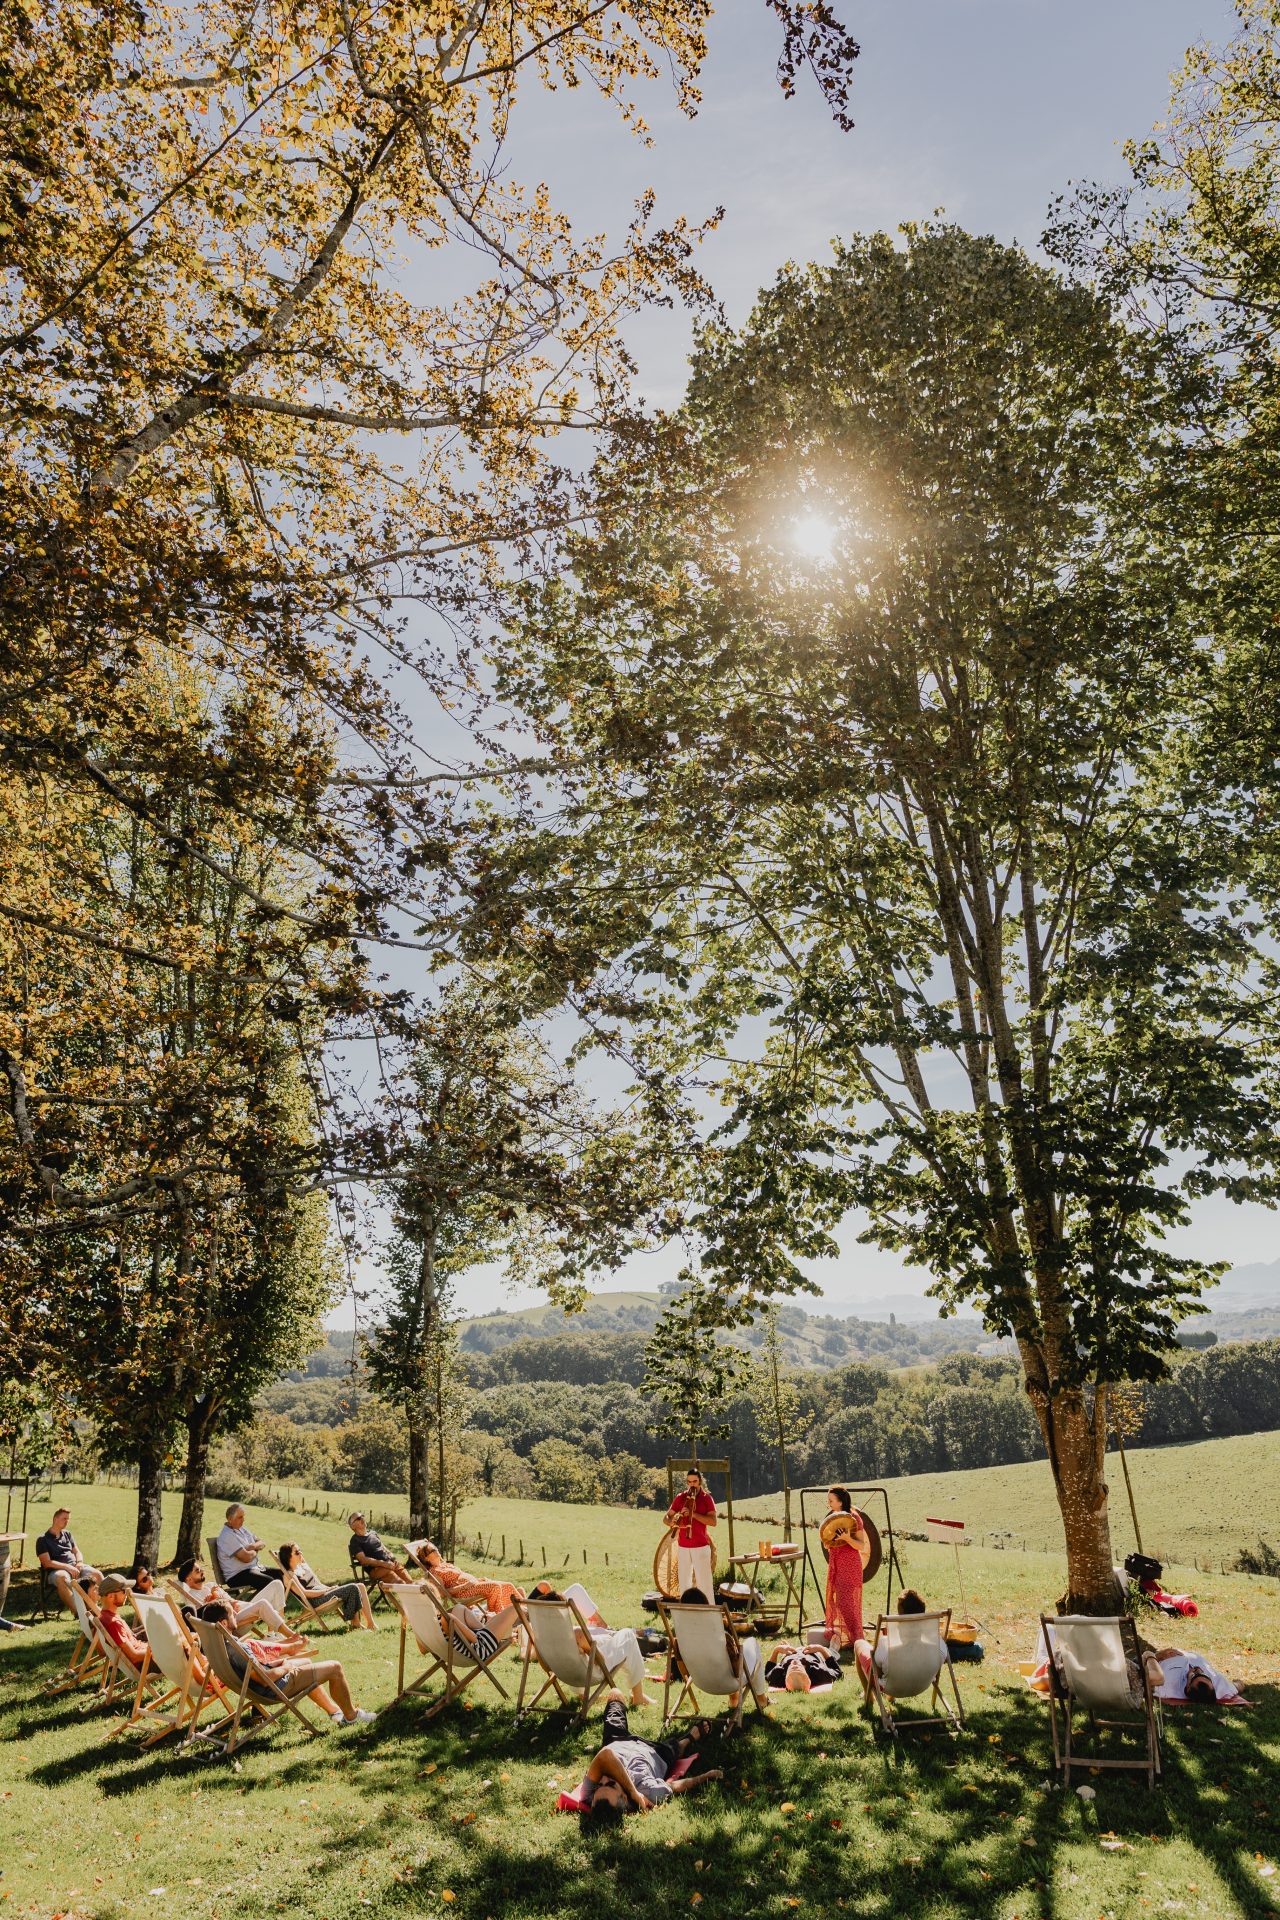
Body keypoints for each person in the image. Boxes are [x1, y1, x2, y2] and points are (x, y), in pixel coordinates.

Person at [196, 1599, 374, 1725]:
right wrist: (286, 1665)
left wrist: (277, 1663)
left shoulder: (220, 1645)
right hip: (273, 1689)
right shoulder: (237, 1649)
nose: (236, 1614)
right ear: (223, 1622)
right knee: (335, 1667)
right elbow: (265, 1677)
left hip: (255, 1688)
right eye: (232, 1614)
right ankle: (351, 1717)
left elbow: (257, 1670)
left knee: (305, 1661)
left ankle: (334, 1711)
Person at [578, 1689, 722, 1824]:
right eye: (610, 1784)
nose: (603, 1779)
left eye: (599, 1786)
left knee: (615, 1694)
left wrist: (633, 1792)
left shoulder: (588, 1795)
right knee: (676, 1750)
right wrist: (705, 1777)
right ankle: (688, 1738)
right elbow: (673, 1786)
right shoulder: (650, 1792)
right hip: (653, 1752)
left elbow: (605, 1756)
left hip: (617, 1741)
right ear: (624, 1797)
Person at [528, 1581, 654, 1706]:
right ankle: (638, 1697)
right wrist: (596, 1648)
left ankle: (583, 1696)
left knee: (594, 1639)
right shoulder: (577, 1634)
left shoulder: (540, 1638)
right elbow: (600, 1661)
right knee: (627, 1635)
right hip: (588, 1674)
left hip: (564, 1674)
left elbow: (545, 1667)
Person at [676, 1586, 768, 1712]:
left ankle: (734, 1699)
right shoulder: (721, 1638)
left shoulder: (680, 1640)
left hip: (701, 1682)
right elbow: (737, 1673)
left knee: (727, 1657)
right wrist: (737, 1653)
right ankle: (762, 1699)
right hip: (729, 1685)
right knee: (752, 1642)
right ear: (706, 1608)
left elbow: (684, 1673)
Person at [176, 1555, 300, 1642]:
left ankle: (273, 1634)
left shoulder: (211, 1585)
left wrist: (227, 1600)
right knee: (262, 1604)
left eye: (200, 1568)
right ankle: (292, 1636)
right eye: (197, 1570)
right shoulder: (192, 1597)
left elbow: (231, 1600)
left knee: (277, 1584)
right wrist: (218, 1598)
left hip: (241, 1609)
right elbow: (210, 1619)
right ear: (189, 1579)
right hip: (234, 1621)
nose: (202, 1571)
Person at [854, 1587, 948, 1681]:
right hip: (922, 1683)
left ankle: (869, 1695)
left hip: (893, 1687)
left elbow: (878, 1671)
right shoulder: (938, 1647)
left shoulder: (886, 1646)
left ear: (900, 1619)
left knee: (859, 1643)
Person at [278, 1542, 376, 1630]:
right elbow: (305, 1593)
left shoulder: (302, 1566)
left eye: (300, 1551)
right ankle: (356, 1623)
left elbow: (316, 1582)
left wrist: (327, 1589)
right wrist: (327, 1590)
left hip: (323, 1592)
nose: (301, 1554)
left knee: (361, 1586)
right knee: (353, 1588)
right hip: (316, 1600)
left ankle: (370, 1624)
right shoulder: (290, 1575)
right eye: (297, 1552)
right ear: (288, 1557)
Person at [415, 1540, 524, 1612]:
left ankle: (524, 1612)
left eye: (435, 1548)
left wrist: (477, 1580)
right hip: (463, 1592)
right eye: (433, 1550)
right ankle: (493, 1617)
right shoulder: (434, 1572)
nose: (437, 1550)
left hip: (473, 1585)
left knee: (508, 1586)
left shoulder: (445, 1565)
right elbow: (443, 1593)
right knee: (495, 1587)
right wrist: (465, 1585)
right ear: (427, 1558)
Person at [820, 1486, 868, 1650]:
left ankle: (857, 1637)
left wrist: (847, 1538)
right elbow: (832, 1541)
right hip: (837, 1564)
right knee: (840, 1601)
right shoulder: (834, 1518)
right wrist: (829, 1544)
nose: (829, 1504)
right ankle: (854, 1637)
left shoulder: (854, 1518)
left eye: (831, 1501)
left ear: (841, 1501)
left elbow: (861, 1546)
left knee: (845, 1601)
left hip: (850, 1564)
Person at [663, 1469, 717, 1600]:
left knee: (705, 1584)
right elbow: (665, 1518)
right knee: (684, 1584)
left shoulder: (706, 1498)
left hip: (701, 1546)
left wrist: (694, 1513)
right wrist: (674, 1523)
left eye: (695, 1481)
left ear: (700, 1482)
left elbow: (713, 1522)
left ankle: (709, 1613)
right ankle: (686, 1614)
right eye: (689, 1482)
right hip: (683, 1546)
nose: (692, 1484)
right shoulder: (680, 1497)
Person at [36, 1508, 102, 1608]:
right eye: (64, 1518)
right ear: (55, 1519)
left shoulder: (67, 1534)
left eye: (68, 1519)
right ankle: (77, 1612)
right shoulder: (42, 1539)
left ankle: (96, 1608)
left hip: (76, 1567)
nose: (67, 1521)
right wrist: (68, 1567)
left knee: (97, 1574)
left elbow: (77, 1551)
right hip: (56, 1571)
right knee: (62, 1577)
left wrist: (79, 1562)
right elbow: (47, 1563)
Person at [1146, 1646, 1254, 1706]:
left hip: (1165, 1655)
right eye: (1204, 1675)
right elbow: (1238, 1686)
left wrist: (1159, 1655)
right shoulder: (1220, 1687)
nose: (1197, 1670)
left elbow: (1144, 1668)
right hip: (1184, 1651)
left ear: (1187, 1687)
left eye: (1194, 1675)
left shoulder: (1166, 1687)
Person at [215, 1504, 279, 1594]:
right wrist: (256, 1550)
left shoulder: (242, 1529)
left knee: (281, 1574)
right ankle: (266, 1607)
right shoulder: (227, 1536)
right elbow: (246, 1558)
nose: (243, 1520)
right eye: (240, 1517)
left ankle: (299, 1599)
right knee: (271, 1582)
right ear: (230, 1519)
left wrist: (252, 1547)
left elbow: (262, 1542)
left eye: (243, 1516)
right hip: (237, 1575)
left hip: (253, 1568)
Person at [347, 1513, 415, 1586]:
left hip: (390, 1563)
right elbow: (363, 1560)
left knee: (411, 1582)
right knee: (401, 1584)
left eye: (362, 1516)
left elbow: (383, 1547)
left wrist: (391, 1555)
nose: (362, 1519)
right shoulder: (355, 1541)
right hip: (377, 1569)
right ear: (352, 1526)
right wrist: (384, 1564)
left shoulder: (373, 1533)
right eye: (358, 1518)